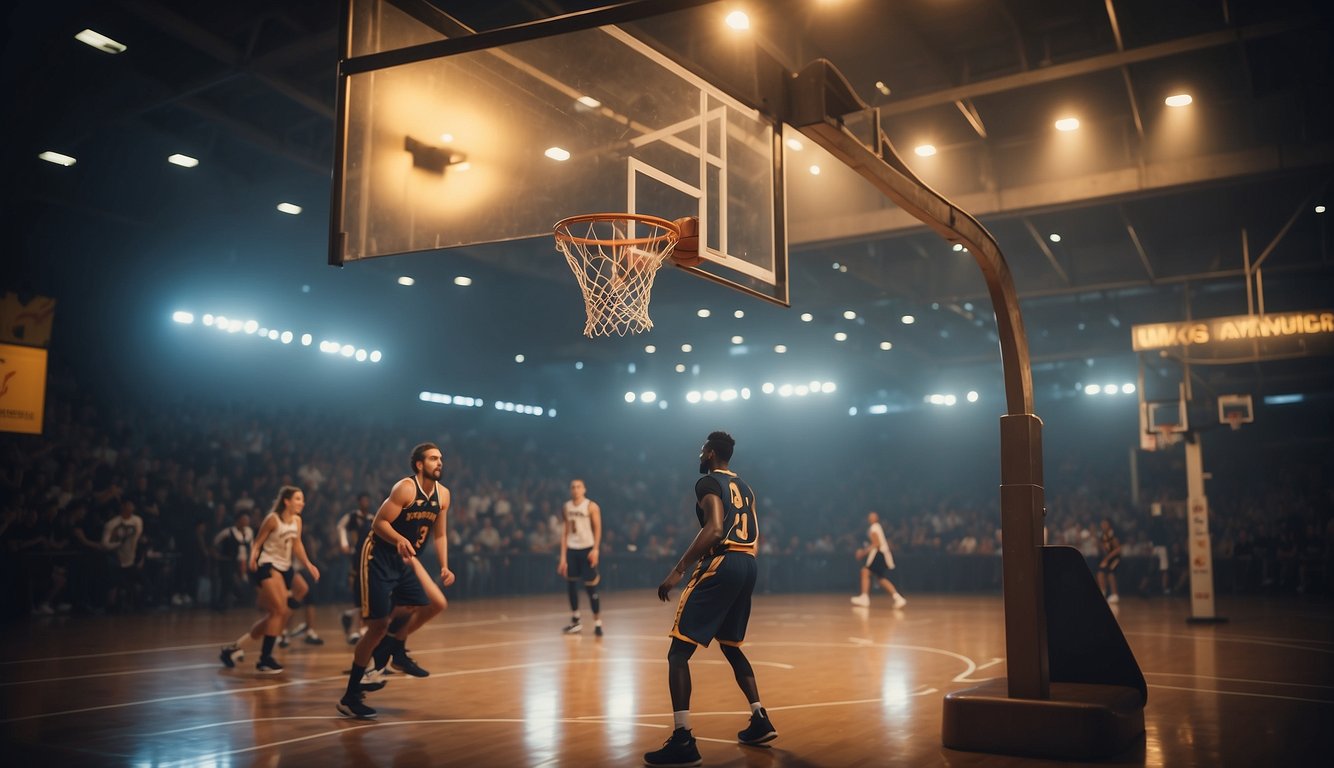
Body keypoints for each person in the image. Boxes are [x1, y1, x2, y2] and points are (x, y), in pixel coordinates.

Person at [644, 431, 776, 767]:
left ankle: (683, 739)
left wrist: (679, 569)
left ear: (713, 453)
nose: (699, 454)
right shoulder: (746, 487)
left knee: (678, 653)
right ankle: (760, 719)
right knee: (731, 645)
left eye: (703, 449)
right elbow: (755, 533)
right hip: (748, 562)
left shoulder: (708, 483)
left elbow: (715, 528)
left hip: (724, 561)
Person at [337, 442, 453, 719]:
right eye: (433, 458)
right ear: (419, 464)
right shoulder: (405, 488)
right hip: (378, 556)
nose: (439, 462)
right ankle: (351, 695)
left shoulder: (444, 495)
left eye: (441, 459)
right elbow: (378, 524)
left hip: (404, 560)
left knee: (419, 603)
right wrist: (400, 538)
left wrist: (445, 566)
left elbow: (440, 534)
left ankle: (396, 653)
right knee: (378, 626)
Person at [218, 486, 320, 674]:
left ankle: (234, 648)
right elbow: (257, 542)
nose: (302, 503)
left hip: (285, 566)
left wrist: (308, 564)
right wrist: (251, 558)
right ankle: (265, 659)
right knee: (278, 611)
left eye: (303, 499)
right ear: (286, 501)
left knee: (301, 590)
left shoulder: (297, 520)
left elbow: (297, 544)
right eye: (298, 499)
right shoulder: (273, 519)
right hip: (268, 565)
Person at [557, 478, 603, 636]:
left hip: (587, 549)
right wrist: (563, 557)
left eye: (578, 487)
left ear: (584, 489)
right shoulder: (566, 507)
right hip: (572, 549)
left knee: (591, 587)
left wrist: (595, 549)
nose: (575, 489)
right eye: (573, 487)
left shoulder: (591, 506)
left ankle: (597, 622)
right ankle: (575, 621)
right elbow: (564, 533)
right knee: (571, 585)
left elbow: (598, 528)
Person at [337, 492, 374, 644]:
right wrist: (344, 543)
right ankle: (359, 627)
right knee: (359, 593)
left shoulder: (372, 518)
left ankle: (357, 623)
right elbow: (340, 527)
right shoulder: (352, 517)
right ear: (359, 502)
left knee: (367, 595)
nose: (365, 503)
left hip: (369, 557)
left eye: (367, 500)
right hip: (355, 558)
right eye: (363, 500)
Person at [850, 511, 907, 608]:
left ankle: (864, 598)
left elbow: (876, 544)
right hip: (882, 554)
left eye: (873, 516)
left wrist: (863, 553)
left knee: (865, 571)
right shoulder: (877, 527)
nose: (871, 518)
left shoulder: (874, 528)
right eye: (870, 516)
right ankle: (898, 598)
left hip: (879, 554)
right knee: (880, 578)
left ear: (876, 518)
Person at [101, 499, 144, 612]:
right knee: (114, 584)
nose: (131, 507)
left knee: (135, 583)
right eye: (128, 505)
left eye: (132, 505)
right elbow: (104, 544)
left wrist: (140, 557)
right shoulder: (112, 524)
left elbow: (137, 539)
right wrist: (118, 544)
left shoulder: (137, 521)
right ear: (122, 506)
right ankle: (112, 606)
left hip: (131, 559)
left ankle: (135, 605)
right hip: (116, 560)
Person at [211, 510, 254, 610]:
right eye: (243, 520)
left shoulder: (249, 532)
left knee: (244, 581)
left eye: (247, 520)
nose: (246, 522)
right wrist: (217, 555)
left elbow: (251, 546)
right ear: (238, 521)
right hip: (230, 562)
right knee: (228, 581)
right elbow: (215, 542)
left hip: (244, 561)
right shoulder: (228, 532)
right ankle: (222, 603)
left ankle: (241, 601)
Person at [1097, 517, 1122, 603]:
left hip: (1115, 558)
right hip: (1106, 558)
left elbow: (1118, 549)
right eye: (1102, 524)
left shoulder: (1114, 534)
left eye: (1105, 524)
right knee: (1100, 572)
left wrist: (1107, 558)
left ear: (1109, 525)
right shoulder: (1102, 536)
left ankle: (1115, 594)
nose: (1103, 526)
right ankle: (1103, 593)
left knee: (1111, 573)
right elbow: (1103, 550)